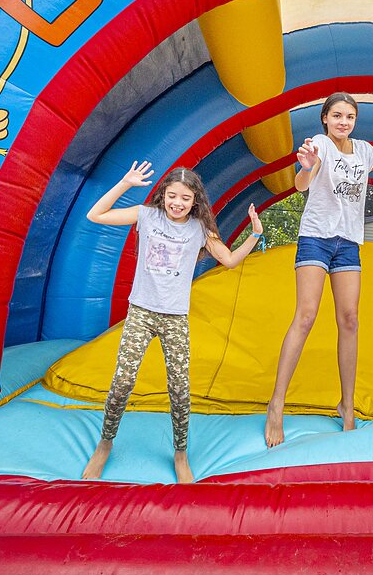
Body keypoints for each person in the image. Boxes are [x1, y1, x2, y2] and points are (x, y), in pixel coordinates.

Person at [264, 93, 373, 447]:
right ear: (325, 118)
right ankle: (276, 406)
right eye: (338, 115)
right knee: (306, 315)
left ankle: (347, 405)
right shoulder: (321, 146)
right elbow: (300, 185)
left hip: (348, 242)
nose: (344, 122)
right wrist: (308, 165)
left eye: (350, 116)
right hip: (316, 237)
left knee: (350, 319)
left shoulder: (364, 151)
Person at [81, 161, 263, 483]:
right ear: (163, 194)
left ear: (196, 202)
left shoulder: (199, 230)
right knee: (122, 383)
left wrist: (254, 235)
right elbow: (95, 215)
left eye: (186, 198)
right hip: (141, 312)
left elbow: (231, 260)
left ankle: (180, 452)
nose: (178, 203)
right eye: (172, 196)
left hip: (175, 317)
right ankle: (104, 443)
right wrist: (125, 182)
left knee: (179, 389)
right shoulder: (146, 216)